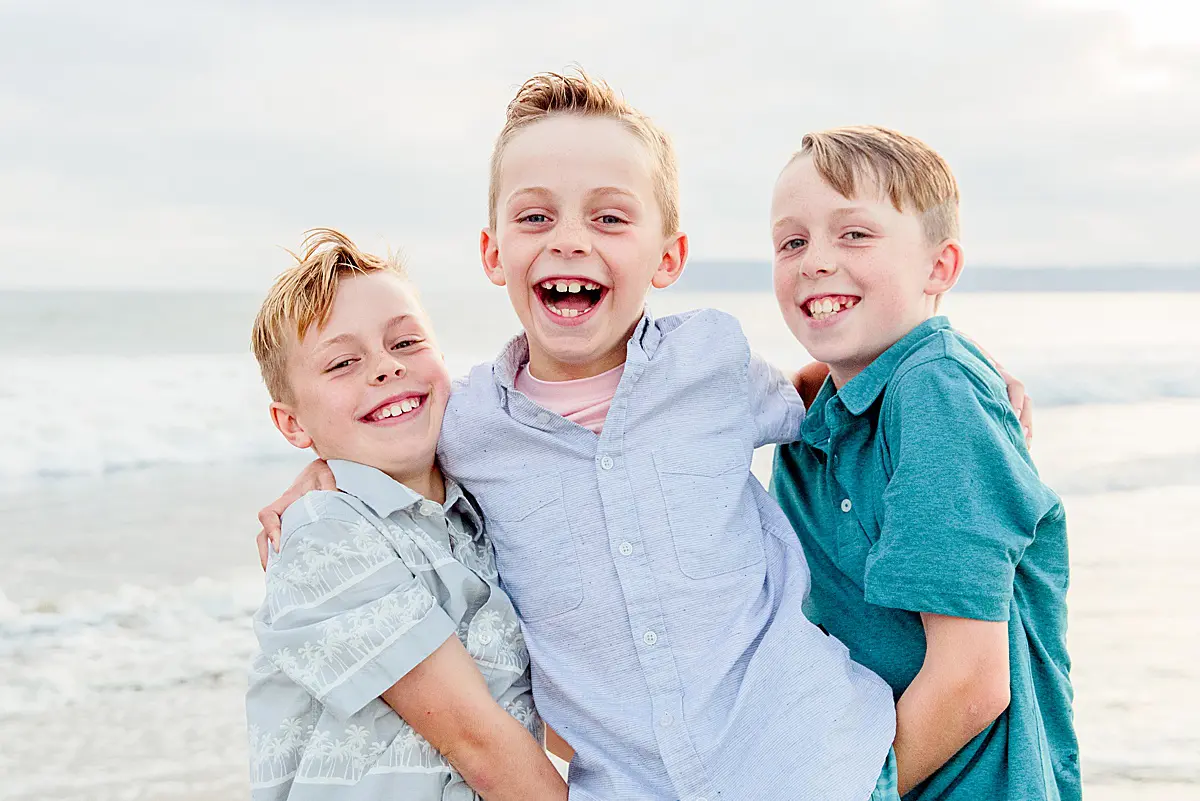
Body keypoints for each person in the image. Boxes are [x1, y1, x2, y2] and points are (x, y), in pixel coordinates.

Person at [256, 74, 1033, 801]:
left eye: (609, 216)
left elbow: (824, 395)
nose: (568, 240)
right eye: (535, 216)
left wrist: (949, 364)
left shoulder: (713, 361)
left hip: (814, 756)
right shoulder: (465, 424)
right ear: (494, 253)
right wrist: (320, 476)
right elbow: (387, 448)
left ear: (669, 257)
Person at [769, 126, 1078, 800]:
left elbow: (971, 680)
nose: (815, 259)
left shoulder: (936, 390)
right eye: (792, 241)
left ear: (938, 268)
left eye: (854, 234)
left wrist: (857, 792)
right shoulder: (816, 411)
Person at [244, 228, 566, 801]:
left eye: (407, 343)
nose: (385, 369)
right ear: (293, 424)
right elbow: (478, 743)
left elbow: (548, 712)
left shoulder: (477, 516)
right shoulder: (326, 533)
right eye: (343, 362)